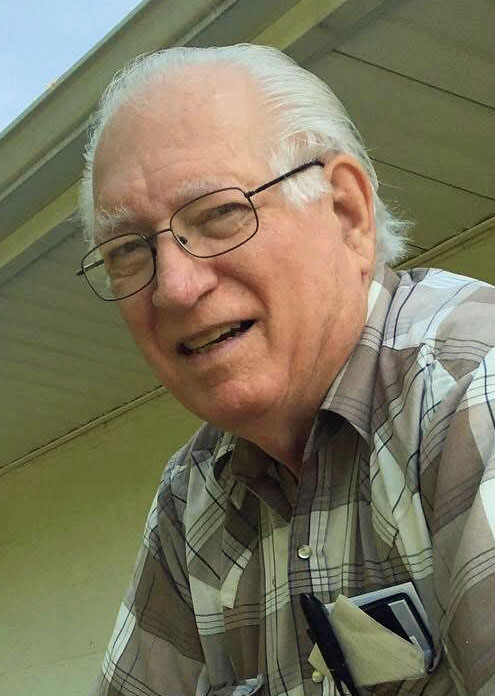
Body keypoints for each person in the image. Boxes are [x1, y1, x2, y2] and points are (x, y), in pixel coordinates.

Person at [78, 44, 495, 696]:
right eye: (128, 250)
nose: (174, 288)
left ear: (346, 213)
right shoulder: (193, 495)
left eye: (219, 214)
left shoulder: (472, 386)